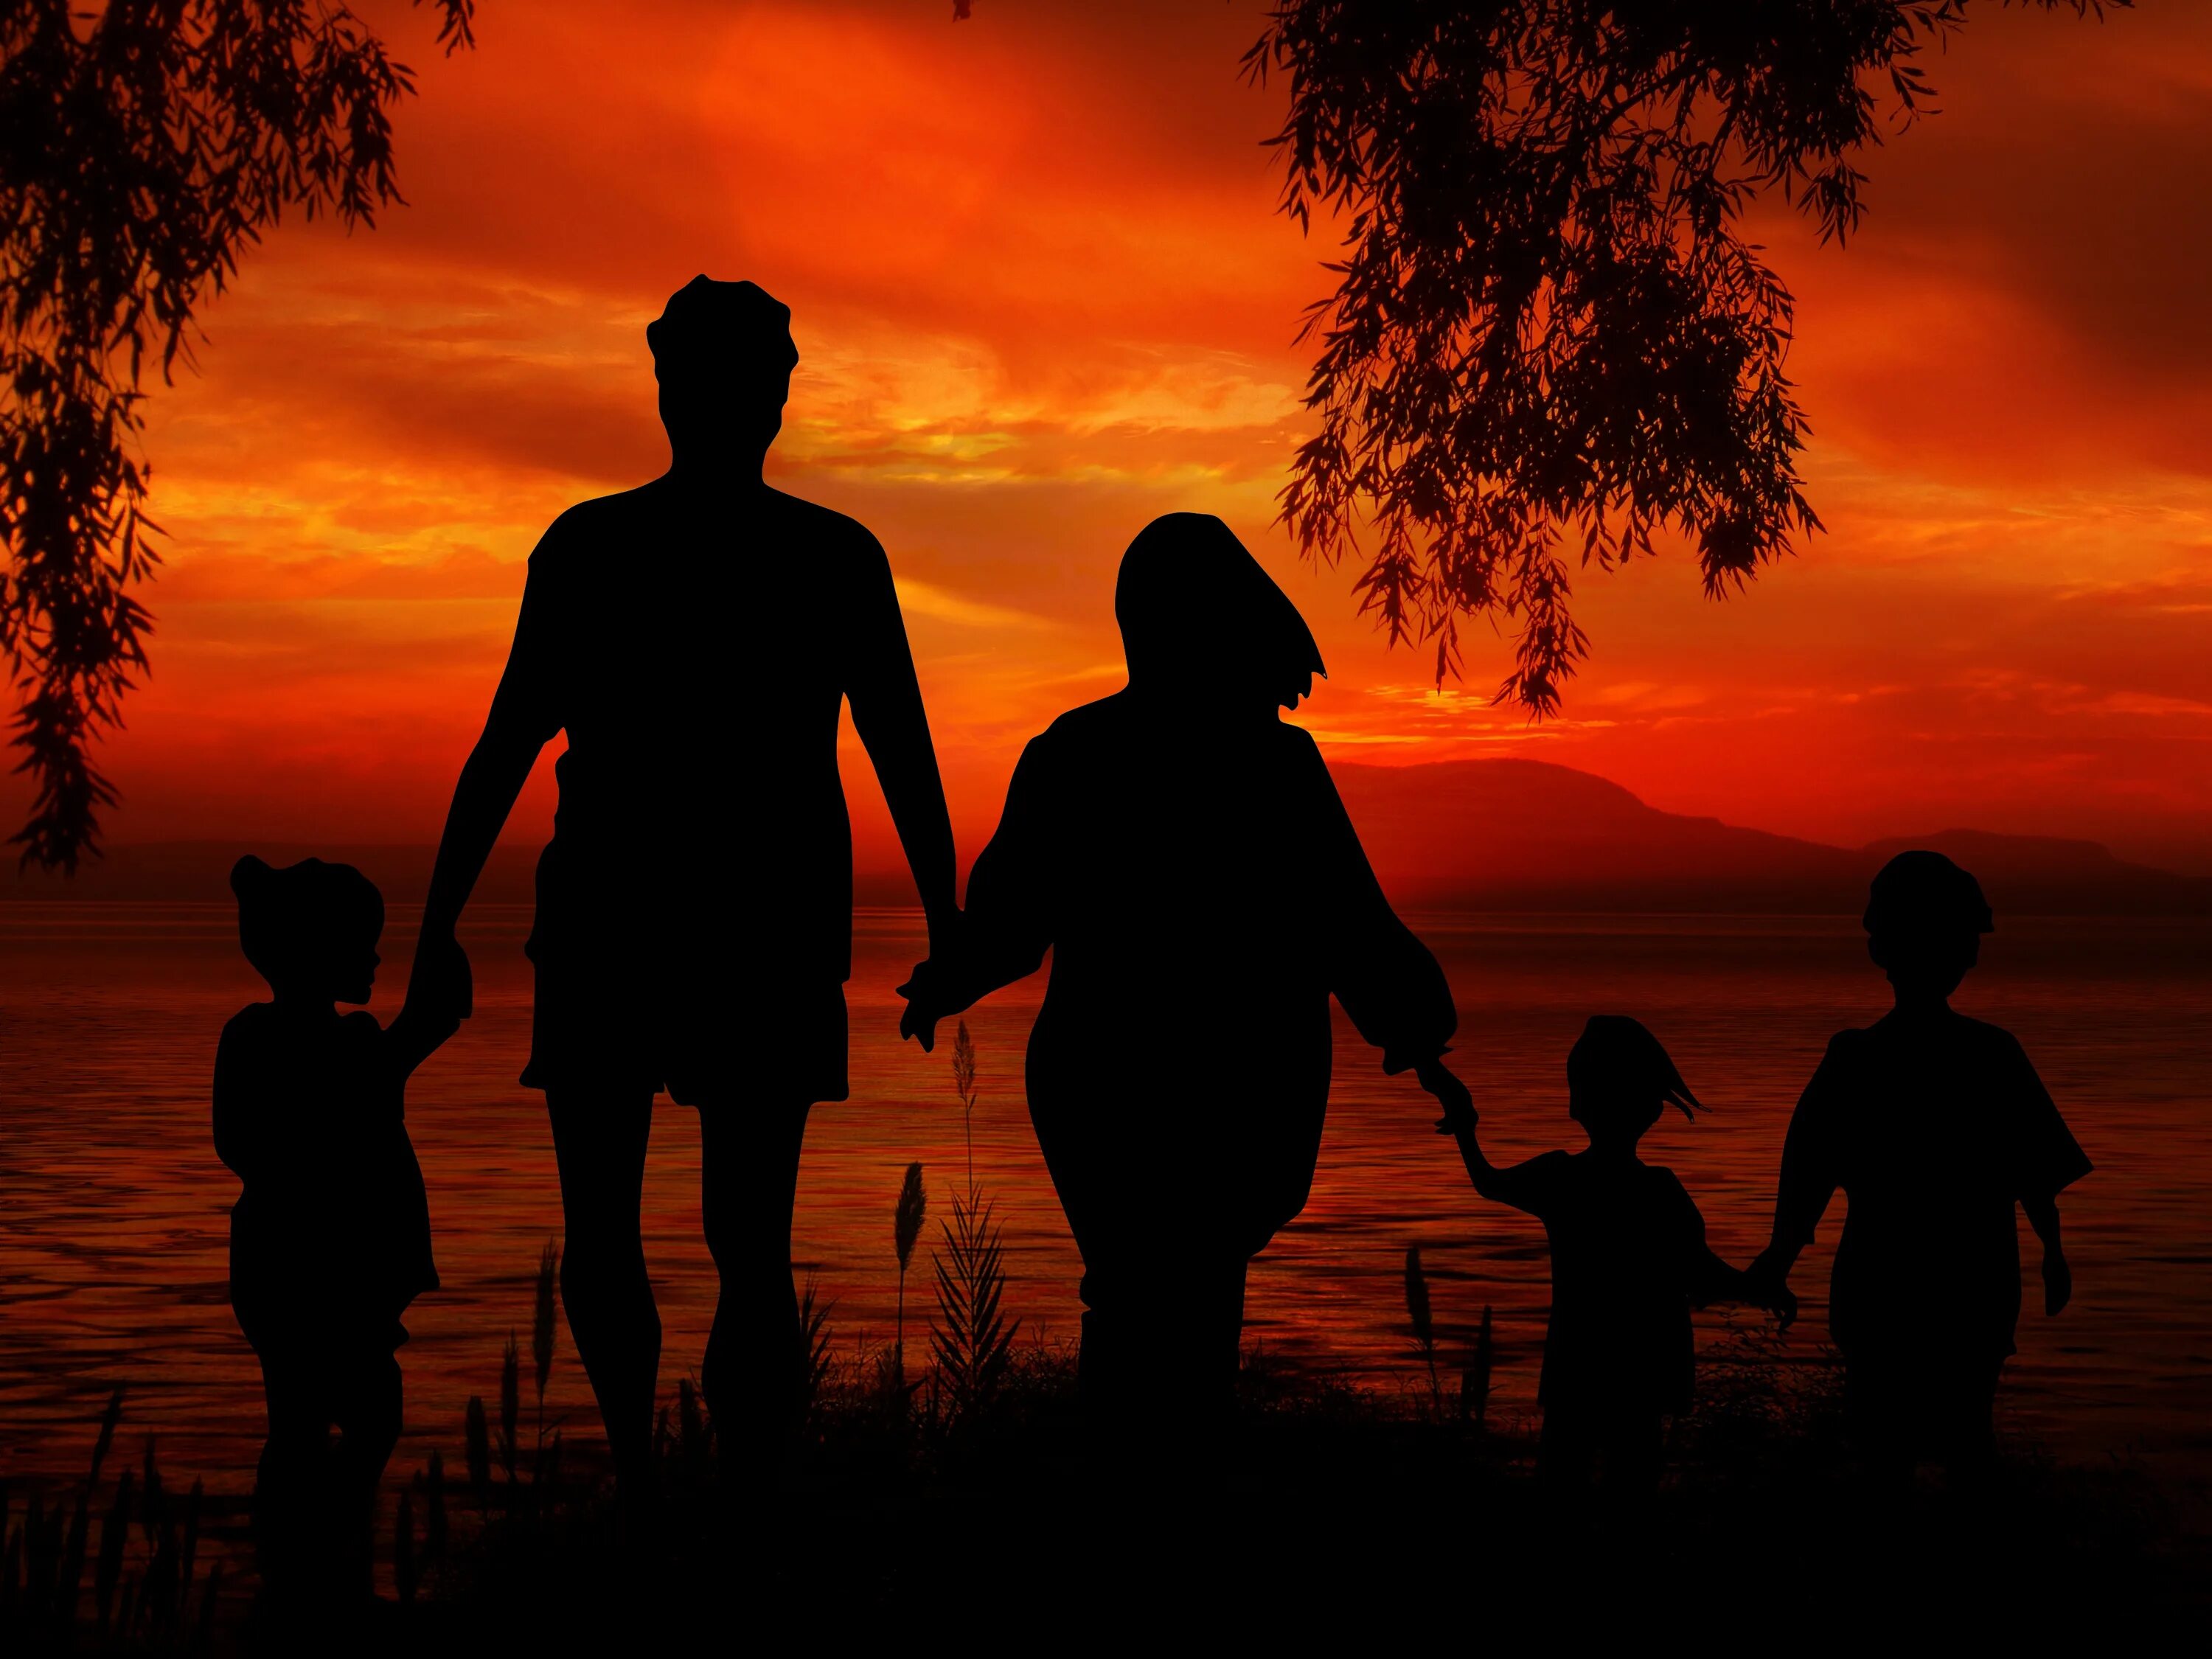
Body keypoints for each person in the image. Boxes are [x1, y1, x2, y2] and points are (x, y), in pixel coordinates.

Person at [407, 276, 961, 1499]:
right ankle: (686, 1492)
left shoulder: (674, 550)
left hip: (687, 924)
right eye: (702, 379)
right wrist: (438, 922)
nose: (711, 401)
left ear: (760, 397)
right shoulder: (766, 554)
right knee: (687, 1237)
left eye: (720, 380)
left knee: (695, 1238)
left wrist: (948, 918)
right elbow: (507, 741)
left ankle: (686, 1492)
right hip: (665, 922)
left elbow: (901, 746)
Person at [900, 512, 1456, 1436]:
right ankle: (1167, 1503)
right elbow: (1351, 924)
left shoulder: (1072, 752)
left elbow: (1008, 925)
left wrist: (946, 979)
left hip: (1099, 1080)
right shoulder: (1275, 765)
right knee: (1189, 1302)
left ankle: (1134, 1501)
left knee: (1131, 1295)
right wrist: (1413, 1017)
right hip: (1236, 1081)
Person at [1748, 852, 2090, 1472]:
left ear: (1883, 952)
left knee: (1882, 1446)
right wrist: (2052, 1250)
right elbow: (2035, 1170)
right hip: (1969, 1280)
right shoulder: (1989, 1053)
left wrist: (1779, 1258)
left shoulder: (1858, 1059)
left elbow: (1806, 1173)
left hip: (1886, 1281)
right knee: (1964, 1441)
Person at [214, 855, 454, 1608]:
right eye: (363, 942)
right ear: (317, 950)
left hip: (289, 1265)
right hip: (309, 1270)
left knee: (308, 1415)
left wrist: (420, 1028)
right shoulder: (331, 1044)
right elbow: (361, 1092)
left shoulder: (299, 1038)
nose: (376, 956)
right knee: (356, 1410)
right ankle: (314, 1552)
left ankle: (301, 1557)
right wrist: (421, 1027)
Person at [1427, 1017, 1793, 1491]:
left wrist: (1464, 1121)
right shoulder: (1659, 1191)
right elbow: (1702, 1273)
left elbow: (1487, 1181)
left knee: (1563, 1484)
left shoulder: (1562, 1177)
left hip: (1577, 1368)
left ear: (1581, 1103)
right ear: (1650, 1109)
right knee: (1632, 1491)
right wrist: (1760, 1285)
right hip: (1641, 1374)